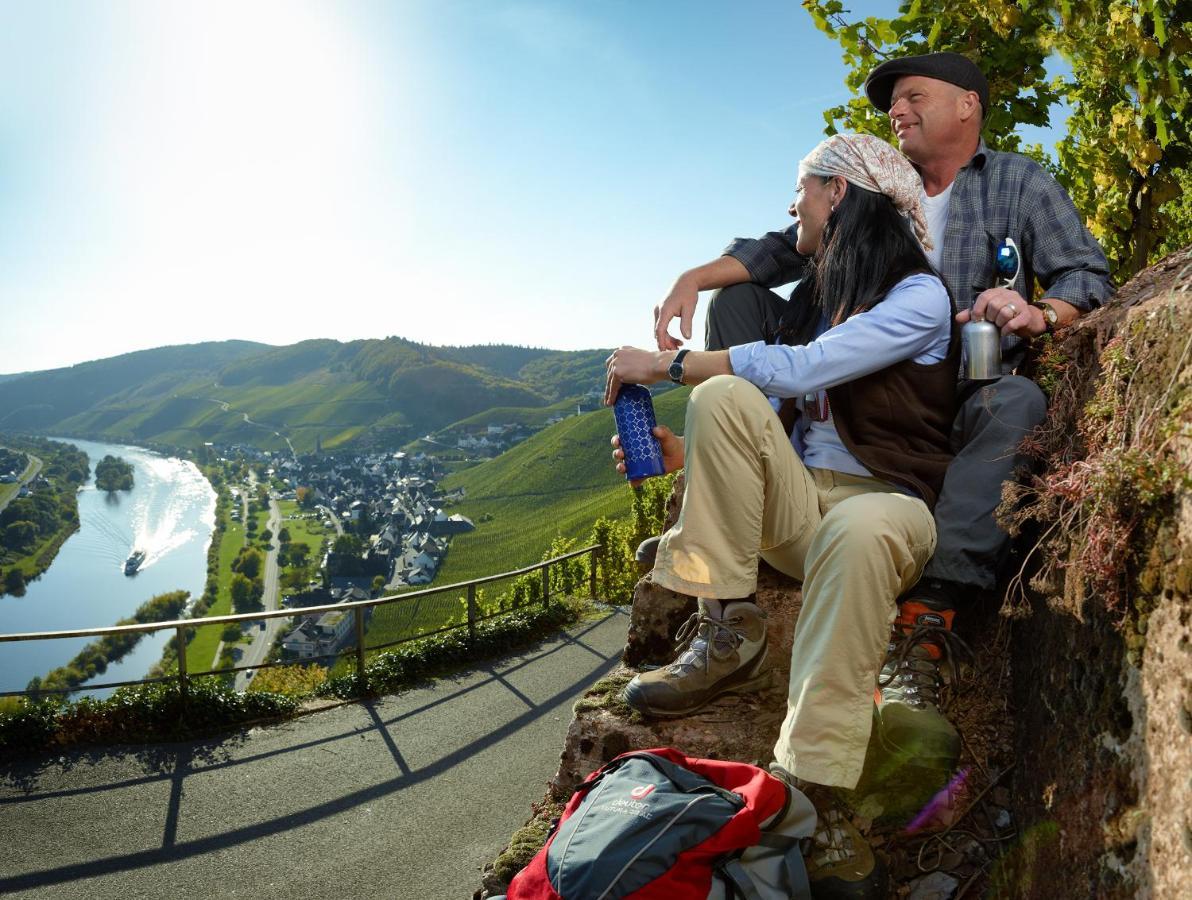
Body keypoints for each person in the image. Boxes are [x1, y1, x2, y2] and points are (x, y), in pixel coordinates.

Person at [645, 52, 1112, 784]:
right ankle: (730, 551)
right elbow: (784, 244)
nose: (896, 112)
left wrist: (1036, 310)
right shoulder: (870, 192)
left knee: (1014, 401)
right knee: (735, 313)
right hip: (855, 389)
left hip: (958, 387)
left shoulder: (1016, 183)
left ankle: (929, 616)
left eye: (913, 97)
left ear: (968, 105)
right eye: (892, 104)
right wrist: (693, 278)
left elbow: (1087, 273)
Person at [606, 132, 956, 899]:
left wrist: (666, 364)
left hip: (885, 508)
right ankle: (729, 626)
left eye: (801, 189)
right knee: (723, 397)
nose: (791, 205)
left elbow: (802, 370)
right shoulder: (819, 304)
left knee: (854, 526)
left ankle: (813, 792)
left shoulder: (919, 297)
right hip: (802, 508)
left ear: (839, 194)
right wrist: (682, 454)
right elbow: (756, 410)